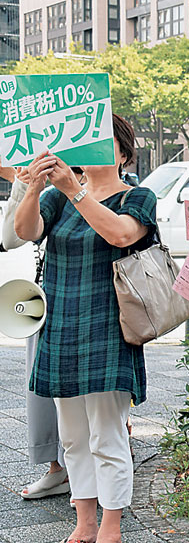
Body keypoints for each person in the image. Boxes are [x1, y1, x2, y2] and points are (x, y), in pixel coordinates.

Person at [14, 115, 156, 543]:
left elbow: (120, 235)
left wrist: (75, 191)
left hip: (109, 329)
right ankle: (85, 522)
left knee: (107, 433)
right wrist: (36, 186)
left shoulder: (138, 197)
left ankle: (111, 527)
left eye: (104, 142)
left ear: (124, 153)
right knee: (73, 437)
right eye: (87, 142)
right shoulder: (59, 199)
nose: (92, 150)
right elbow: (25, 230)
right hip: (61, 325)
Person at [0, 163, 70, 500]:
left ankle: (96, 478)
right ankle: (58, 470)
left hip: (98, 308)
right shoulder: (49, 191)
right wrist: (24, 185)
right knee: (40, 390)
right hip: (46, 299)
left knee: (100, 410)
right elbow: (10, 237)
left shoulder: (120, 188)